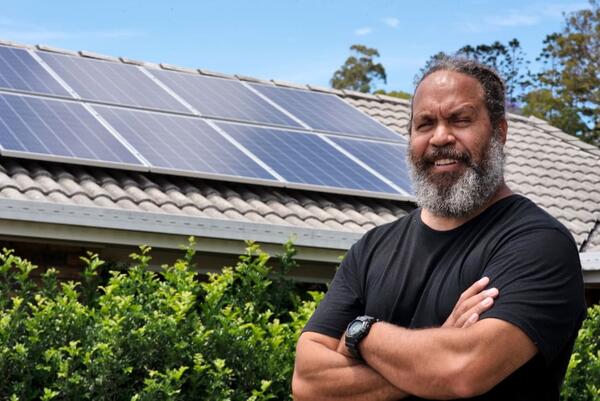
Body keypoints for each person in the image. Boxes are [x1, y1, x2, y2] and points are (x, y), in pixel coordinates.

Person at [292, 57, 586, 400]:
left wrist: (361, 334)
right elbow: (308, 383)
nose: (440, 137)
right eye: (425, 124)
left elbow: (461, 371)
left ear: (499, 132)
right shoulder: (372, 247)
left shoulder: (538, 244)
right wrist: (432, 353)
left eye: (460, 120)